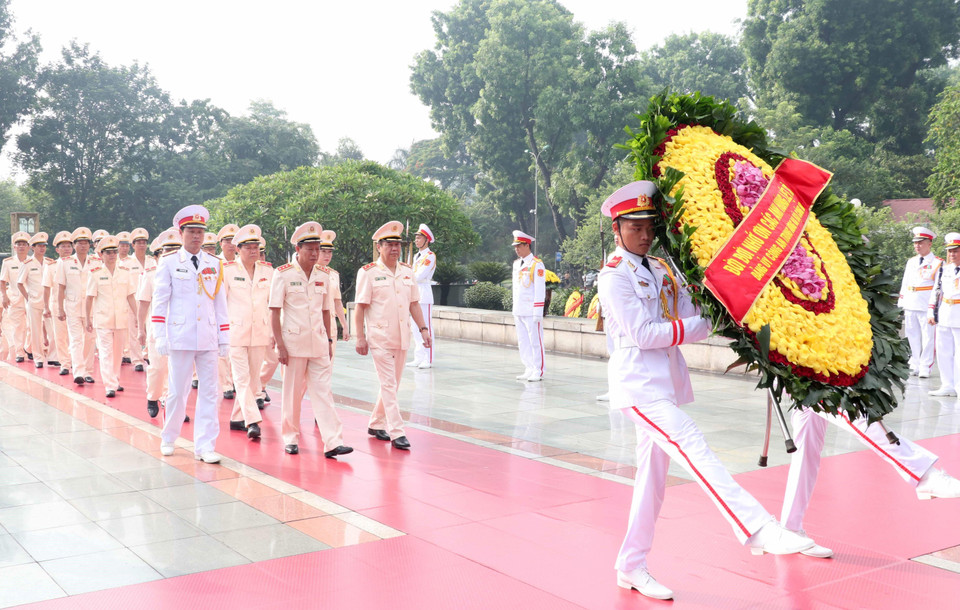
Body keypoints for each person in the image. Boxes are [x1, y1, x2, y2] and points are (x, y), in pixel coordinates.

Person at [598, 181, 814, 600]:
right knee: (691, 441)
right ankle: (757, 527)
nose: (644, 234)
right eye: (635, 227)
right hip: (637, 386)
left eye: (649, 226)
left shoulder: (660, 268)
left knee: (652, 481)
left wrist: (726, 300)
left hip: (664, 385)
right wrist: (712, 324)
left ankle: (630, 565)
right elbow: (644, 334)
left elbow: (689, 310)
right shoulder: (613, 277)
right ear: (617, 229)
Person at [152, 205, 230, 464]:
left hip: (207, 336)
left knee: (210, 393)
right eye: (192, 232)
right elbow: (160, 301)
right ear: (181, 233)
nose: (197, 237)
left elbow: (220, 303)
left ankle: (205, 445)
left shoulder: (214, 264)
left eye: (200, 232)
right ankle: (169, 437)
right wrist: (160, 336)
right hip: (181, 336)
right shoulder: (169, 262)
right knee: (177, 391)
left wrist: (224, 336)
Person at [269, 221, 352, 458]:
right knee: (292, 394)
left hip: (318, 344)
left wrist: (328, 341)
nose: (315, 254)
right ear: (298, 249)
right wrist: (280, 346)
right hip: (293, 345)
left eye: (318, 249)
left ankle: (333, 441)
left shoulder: (324, 276)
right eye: (310, 249)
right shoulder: (282, 274)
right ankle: (290, 437)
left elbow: (326, 311)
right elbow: (274, 312)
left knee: (323, 392)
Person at [354, 220, 432, 450]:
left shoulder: (408, 271)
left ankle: (376, 423)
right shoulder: (368, 273)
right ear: (379, 246)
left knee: (392, 385)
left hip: (402, 337)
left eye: (397, 245)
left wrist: (424, 330)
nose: (394, 249)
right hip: (379, 338)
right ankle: (397, 431)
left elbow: (414, 304)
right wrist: (360, 337)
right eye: (389, 244)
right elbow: (360, 308)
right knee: (388, 384)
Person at [224, 224, 273, 441]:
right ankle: (252, 421)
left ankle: (237, 418)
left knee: (253, 381)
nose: (253, 251)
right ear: (238, 249)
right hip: (235, 333)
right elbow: (220, 304)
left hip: (260, 332)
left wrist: (274, 330)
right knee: (242, 380)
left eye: (256, 247)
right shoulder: (227, 271)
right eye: (248, 247)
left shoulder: (268, 271)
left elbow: (272, 303)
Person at [84, 236, 138, 398]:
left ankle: (115, 380)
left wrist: (137, 316)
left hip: (121, 318)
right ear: (101, 255)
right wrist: (88, 319)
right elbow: (89, 298)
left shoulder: (125, 273)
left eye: (114, 252)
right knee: (106, 352)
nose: (112, 255)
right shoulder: (95, 273)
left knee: (118, 353)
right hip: (103, 319)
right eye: (108, 252)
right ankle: (109, 385)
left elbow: (130, 296)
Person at [57, 227, 99, 384]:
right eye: (80, 243)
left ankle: (88, 371)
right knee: (75, 340)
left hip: (91, 308)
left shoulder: (96, 262)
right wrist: (60, 308)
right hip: (73, 306)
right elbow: (61, 287)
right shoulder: (65, 262)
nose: (83, 246)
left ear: (89, 245)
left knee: (90, 339)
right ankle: (78, 372)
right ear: (74, 245)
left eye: (86, 243)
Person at [898, 227, 941, 377]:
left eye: (921, 243)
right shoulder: (911, 262)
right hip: (911, 302)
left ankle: (925, 365)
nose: (917, 246)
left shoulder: (937, 263)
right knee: (912, 334)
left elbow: (937, 287)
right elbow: (905, 282)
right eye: (915, 243)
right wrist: (901, 300)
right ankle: (914, 362)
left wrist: (933, 307)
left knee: (928, 337)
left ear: (929, 244)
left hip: (925, 304)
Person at [511, 230, 546, 382]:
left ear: (527, 245)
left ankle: (538, 369)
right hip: (519, 309)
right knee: (523, 341)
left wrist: (538, 311)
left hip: (531, 310)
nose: (516, 249)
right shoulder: (516, 264)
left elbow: (539, 290)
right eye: (515, 246)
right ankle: (528, 367)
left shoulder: (536, 264)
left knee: (535, 341)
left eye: (519, 246)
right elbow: (516, 288)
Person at [17, 232, 54, 368]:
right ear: (33, 248)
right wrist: (28, 298)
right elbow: (19, 283)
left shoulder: (50, 263)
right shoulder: (27, 264)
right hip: (34, 301)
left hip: (49, 302)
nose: (42, 248)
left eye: (44, 246)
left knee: (52, 330)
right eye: (39, 246)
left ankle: (52, 356)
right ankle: (38, 357)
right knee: (36, 331)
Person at [121, 228, 151, 371]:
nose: (142, 245)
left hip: (150, 301)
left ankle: (148, 354)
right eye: (138, 243)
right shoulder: (126, 263)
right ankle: (137, 359)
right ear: (133, 245)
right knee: (134, 330)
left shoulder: (152, 261)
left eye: (144, 242)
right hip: (133, 301)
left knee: (150, 328)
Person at [44, 231, 74, 376]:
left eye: (69, 246)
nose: (67, 249)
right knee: (60, 336)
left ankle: (75, 360)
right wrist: (46, 307)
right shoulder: (51, 267)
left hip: (75, 305)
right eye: (63, 246)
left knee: (75, 336)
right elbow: (46, 288)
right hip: (57, 305)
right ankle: (65, 363)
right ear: (57, 249)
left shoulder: (77, 265)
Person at [216, 224, 240, 400]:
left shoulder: (242, 263)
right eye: (227, 241)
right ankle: (226, 385)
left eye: (234, 241)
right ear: (221, 243)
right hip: (220, 312)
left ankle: (238, 382)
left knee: (238, 351)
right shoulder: (214, 262)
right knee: (223, 351)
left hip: (239, 313)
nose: (231, 244)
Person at [408, 223, 436, 369]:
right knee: (415, 328)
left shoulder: (429, 256)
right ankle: (418, 357)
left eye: (419, 238)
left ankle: (428, 358)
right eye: (416, 238)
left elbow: (419, 275)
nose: (417, 240)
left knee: (426, 328)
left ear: (427, 240)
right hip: (414, 293)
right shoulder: (416, 256)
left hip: (424, 293)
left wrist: (407, 276)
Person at [318, 230, 350, 356]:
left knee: (328, 366)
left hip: (330, 327)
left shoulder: (333, 274)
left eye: (330, 252)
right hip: (314, 325)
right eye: (323, 251)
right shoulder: (308, 273)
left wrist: (344, 325)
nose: (327, 255)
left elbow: (337, 302)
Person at [1, 231, 31, 362]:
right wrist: (4, 296)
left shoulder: (32, 261)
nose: (21, 247)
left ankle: (29, 348)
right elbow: (2, 281)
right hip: (15, 297)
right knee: (18, 326)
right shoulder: (8, 262)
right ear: (14, 247)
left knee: (32, 325)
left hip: (31, 298)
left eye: (24, 244)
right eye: (19, 244)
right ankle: (19, 352)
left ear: (29, 247)